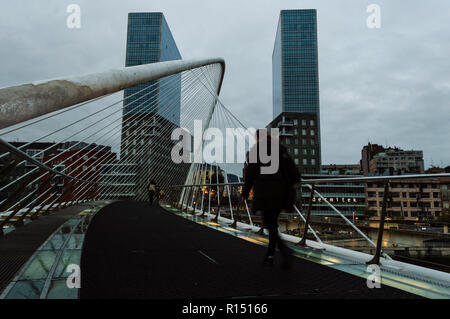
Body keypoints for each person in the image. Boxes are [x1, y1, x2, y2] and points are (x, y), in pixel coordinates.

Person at [242, 129, 301, 268]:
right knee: (272, 223)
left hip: (265, 193)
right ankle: (272, 253)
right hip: (281, 193)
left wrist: (245, 192)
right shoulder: (280, 150)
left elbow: (250, 174)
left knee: (269, 223)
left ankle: (281, 252)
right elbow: (294, 173)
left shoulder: (257, 151)